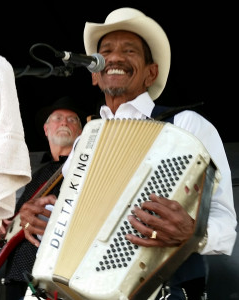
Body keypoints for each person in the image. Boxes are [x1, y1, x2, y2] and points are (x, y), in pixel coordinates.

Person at [57, 7, 237, 300]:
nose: (115, 58)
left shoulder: (186, 125)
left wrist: (193, 233)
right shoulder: (84, 142)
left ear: (150, 73)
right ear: (94, 74)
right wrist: (44, 220)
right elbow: (69, 217)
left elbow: (224, 223)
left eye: (130, 51)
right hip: (80, 289)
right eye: (106, 52)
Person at [0, 96, 85, 300]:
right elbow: (13, 216)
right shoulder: (33, 173)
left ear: (81, 133)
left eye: (72, 120)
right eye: (57, 118)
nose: (65, 122)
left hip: (53, 275)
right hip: (16, 272)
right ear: (46, 129)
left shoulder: (85, 168)